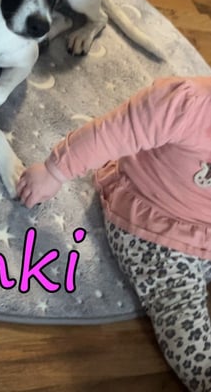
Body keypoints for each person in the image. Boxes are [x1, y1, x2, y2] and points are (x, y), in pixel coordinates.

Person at [16, 76, 211, 391]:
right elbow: (112, 132)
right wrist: (54, 171)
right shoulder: (186, 103)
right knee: (177, 303)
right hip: (154, 226)